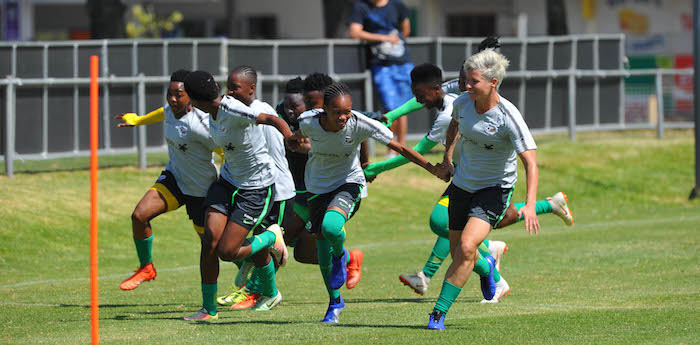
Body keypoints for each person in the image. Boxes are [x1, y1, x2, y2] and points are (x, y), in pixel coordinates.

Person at [365, 62, 573, 302]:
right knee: (468, 226)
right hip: (466, 176)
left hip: (489, 179)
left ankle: (490, 274)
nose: (418, 101)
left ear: (435, 89)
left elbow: (416, 150)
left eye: (421, 96)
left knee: (445, 222)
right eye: (467, 81)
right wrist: (389, 116)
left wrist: (373, 168)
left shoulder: (452, 110)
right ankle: (546, 208)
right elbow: (428, 98)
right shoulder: (457, 95)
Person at [288, 82, 443, 324]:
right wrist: (293, 140)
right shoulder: (309, 121)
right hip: (317, 188)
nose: (343, 117)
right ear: (324, 110)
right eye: (337, 112)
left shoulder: (359, 122)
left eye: (347, 111)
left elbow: (399, 147)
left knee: (331, 228)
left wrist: (431, 168)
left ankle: (341, 255)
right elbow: (298, 135)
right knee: (321, 249)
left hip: (348, 183)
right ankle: (334, 301)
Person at [426, 49, 539, 330]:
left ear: (493, 83)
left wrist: (531, 202)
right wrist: (448, 158)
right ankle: (488, 269)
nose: (466, 86)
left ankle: (438, 314)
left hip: (494, 189)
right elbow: (454, 126)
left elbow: (531, 164)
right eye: (466, 80)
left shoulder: (508, 116)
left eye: (473, 82)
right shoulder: (463, 103)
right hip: (462, 185)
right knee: (457, 252)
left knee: (467, 246)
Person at [181, 70, 293, 321]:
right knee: (209, 241)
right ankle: (208, 310)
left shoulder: (234, 109)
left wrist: (290, 138)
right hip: (228, 183)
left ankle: (269, 238)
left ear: (196, 100)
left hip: (256, 188)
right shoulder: (208, 111)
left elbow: (272, 119)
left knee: (227, 252)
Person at [114, 69, 222, 291]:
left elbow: (224, 151)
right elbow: (161, 113)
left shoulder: (201, 125)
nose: (173, 99)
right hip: (174, 179)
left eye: (179, 94)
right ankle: (146, 267)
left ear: (190, 95)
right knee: (139, 215)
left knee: (218, 248)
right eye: (170, 93)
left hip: (201, 189)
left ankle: (258, 280)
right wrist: (137, 121)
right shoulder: (170, 110)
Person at [349, 0, 414, 156]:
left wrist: (394, 40)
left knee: (403, 107)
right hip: (381, 65)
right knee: (390, 107)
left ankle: (402, 147)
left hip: (402, 62)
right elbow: (355, 32)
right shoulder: (361, 7)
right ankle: (392, 148)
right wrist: (384, 38)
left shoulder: (397, 5)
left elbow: (406, 29)